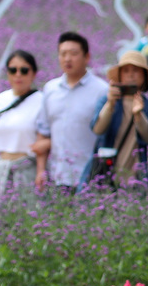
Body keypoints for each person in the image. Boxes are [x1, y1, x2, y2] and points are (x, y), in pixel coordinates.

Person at [34, 32, 110, 193]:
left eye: (74, 54)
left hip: (90, 176)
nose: (67, 59)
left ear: (87, 57)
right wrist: (41, 170)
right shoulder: (50, 89)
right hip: (56, 176)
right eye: (63, 54)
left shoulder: (101, 90)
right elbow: (43, 132)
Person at [0, 50, 44, 208]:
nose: (18, 75)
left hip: (27, 170)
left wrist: (41, 172)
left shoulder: (41, 102)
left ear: (33, 74)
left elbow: (42, 143)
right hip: (2, 168)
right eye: (13, 70)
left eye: (24, 70)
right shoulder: (1, 100)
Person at [82, 49, 148, 187]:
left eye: (136, 70)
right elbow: (97, 129)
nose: (130, 75)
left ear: (144, 75)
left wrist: (139, 115)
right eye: (126, 71)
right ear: (120, 75)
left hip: (135, 179)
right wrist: (110, 104)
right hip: (105, 174)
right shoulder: (106, 101)